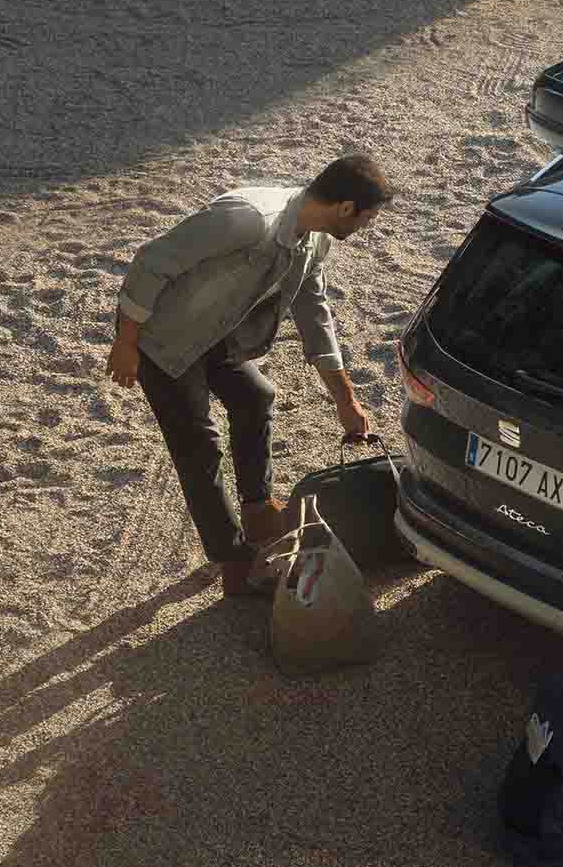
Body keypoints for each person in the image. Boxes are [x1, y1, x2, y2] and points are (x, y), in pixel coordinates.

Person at [104, 155, 391, 596]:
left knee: (256, 397)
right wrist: (126, 343)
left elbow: (314, 313)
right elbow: (151, 261)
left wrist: (345, 400)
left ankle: (257, 510)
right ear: (347, 208)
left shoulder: (315, 239)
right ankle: (233, 558)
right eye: (369, 217)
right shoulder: (247, 220)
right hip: (164, 341)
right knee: (200, 446)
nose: (367, 227)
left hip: (221, 337)